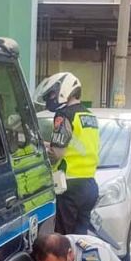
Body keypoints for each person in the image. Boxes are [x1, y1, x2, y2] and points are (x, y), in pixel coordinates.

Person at [34, 72, 100, 235]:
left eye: (52, 93)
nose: (50, 97)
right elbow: (75, 146)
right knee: (81, 238)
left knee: (64, 239)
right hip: (90, 185)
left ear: (64, 90)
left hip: (69, 186)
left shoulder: (64, 116)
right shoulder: (89, 116)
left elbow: (57, 153)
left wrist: (40, 150)